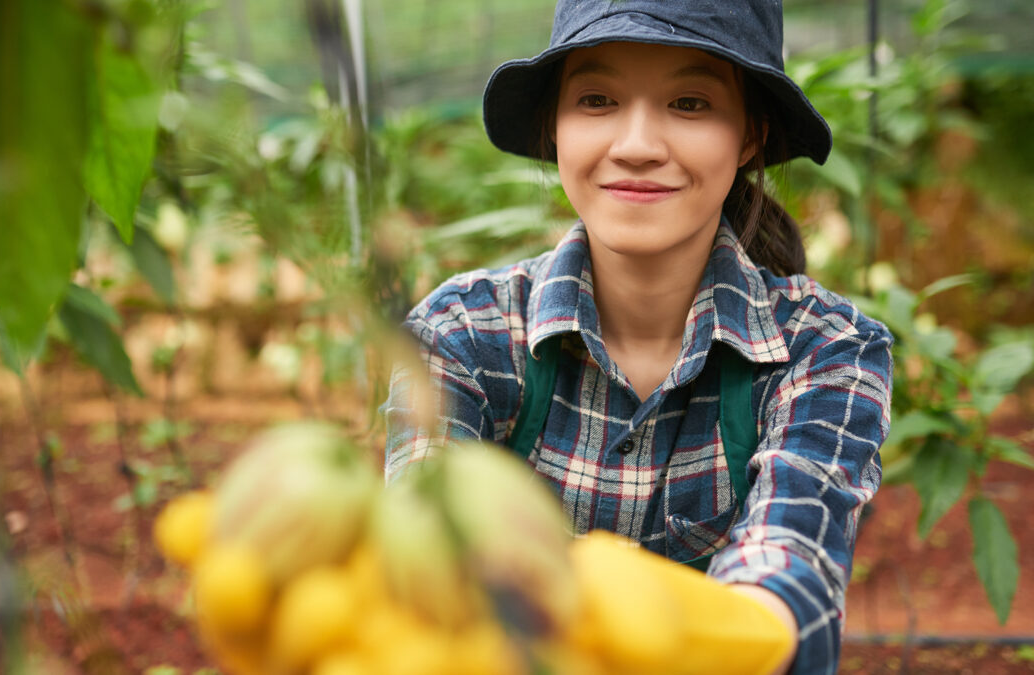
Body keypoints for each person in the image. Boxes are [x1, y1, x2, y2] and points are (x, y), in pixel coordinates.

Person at [383, 1, 893, 673]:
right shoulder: (460, 336)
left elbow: (788, 572)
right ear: (555, 127)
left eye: (688, 102)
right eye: (597, 99)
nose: (637, 145)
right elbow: (421, 566)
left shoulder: (825, 350)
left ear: (749, 137)